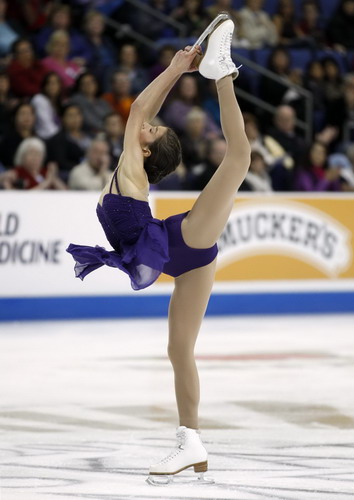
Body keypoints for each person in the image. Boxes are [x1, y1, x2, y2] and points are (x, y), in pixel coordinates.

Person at [66, 17, 251, 483]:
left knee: (239, 158)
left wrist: (175, 68)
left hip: (181, 241)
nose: (145, 126)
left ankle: (224, 73)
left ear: (145, 152)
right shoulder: (131, 170)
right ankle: (191, 441)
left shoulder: (132, 173)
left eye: (152, 132)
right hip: (187, 259)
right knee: (179, 350)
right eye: (150, 127)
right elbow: (142, 113)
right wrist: (176, 71)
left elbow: (136, 110)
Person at [31, 72, 63, 139]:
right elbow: (46, 126)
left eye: (55, 83)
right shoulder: (39, 100)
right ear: (44, 86)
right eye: (50, 83)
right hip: (43, 137)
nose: (53, 86)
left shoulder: (58, 102)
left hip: (56, 136)